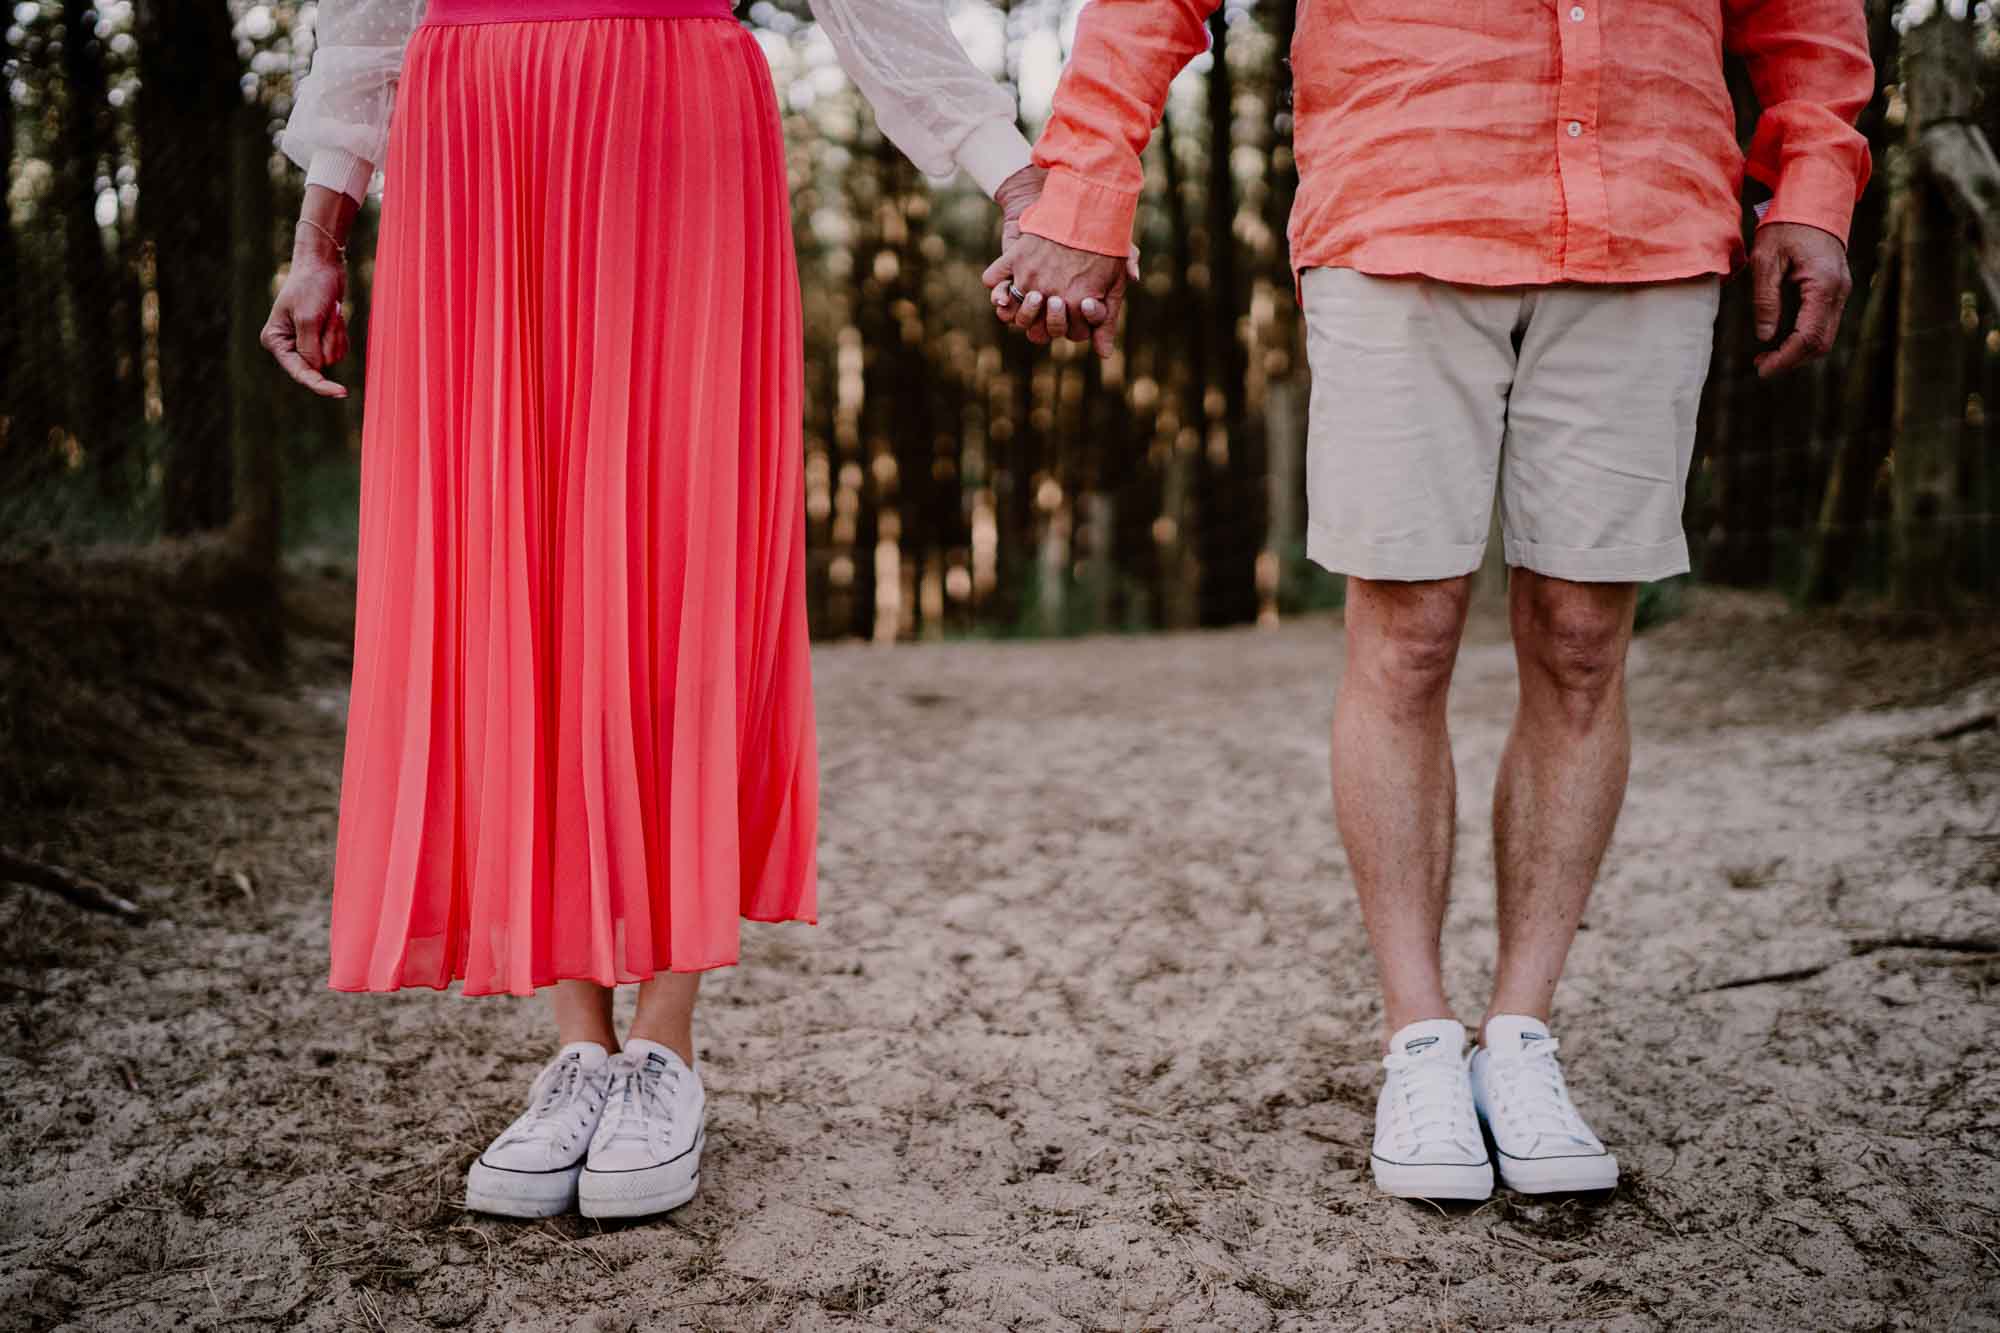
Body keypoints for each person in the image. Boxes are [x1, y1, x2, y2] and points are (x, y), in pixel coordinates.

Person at [985, 0, 1871, 1200]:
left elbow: (1805, 14)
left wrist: (1813, 187)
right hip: (1403, 192)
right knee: (1406, 634)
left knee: (1579, 641)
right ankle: (1416, 1035)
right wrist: (1087, 190)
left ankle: (1518, 1033)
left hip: (1648, 213)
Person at [264, 0, 1065, 1220]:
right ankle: (581, 1046)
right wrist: (320, 231)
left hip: (669, 117)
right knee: (510, 564)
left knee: (677, 548)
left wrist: (1014, 178)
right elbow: (370, 18)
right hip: (474, 135)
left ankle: (666, 1048)